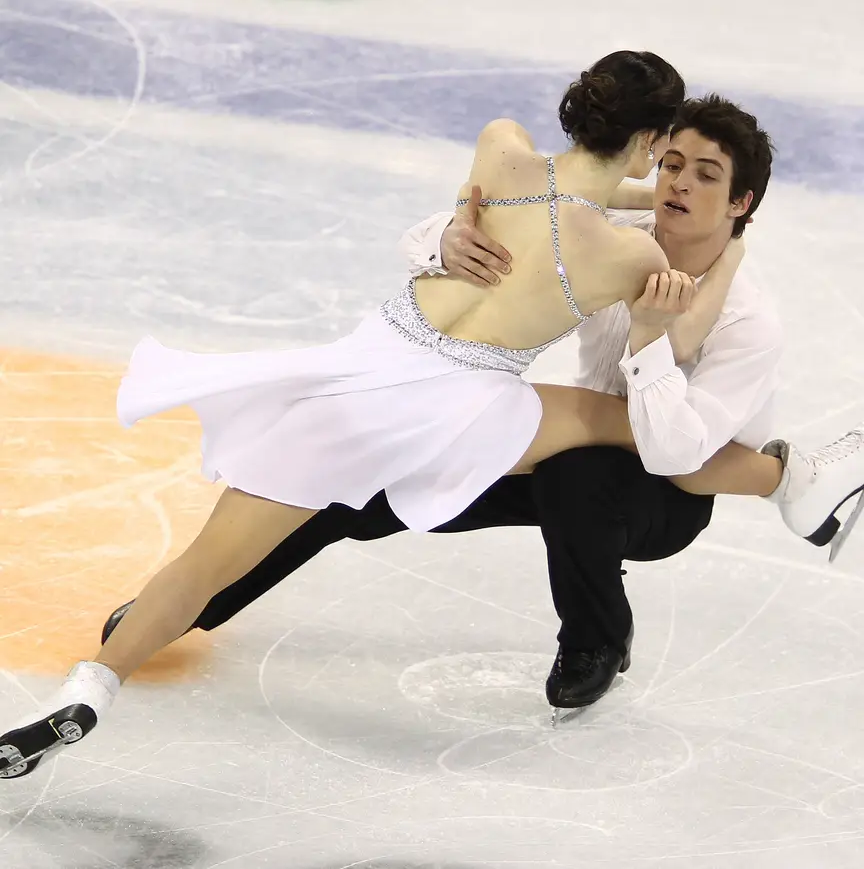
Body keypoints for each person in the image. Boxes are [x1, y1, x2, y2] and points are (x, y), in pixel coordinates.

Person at [1, 48, 705, 780]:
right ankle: (762, 480)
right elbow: (635, 228)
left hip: (360, 375)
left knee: (201, 566)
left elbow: (566, 188)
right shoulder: (632, 256)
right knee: (624, 426)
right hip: (460, 408)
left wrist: (454, 232)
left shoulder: (502, 148)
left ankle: (91, 687)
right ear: (650, 141)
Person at [100, 95, 863, 728]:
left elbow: (677, 454)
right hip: (581, 435)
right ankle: (194, 600)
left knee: (580, 477)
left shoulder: (747, 324)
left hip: (665, 489)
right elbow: (499, 217)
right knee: (359, 478)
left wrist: (651, 337)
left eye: (706, 174)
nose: (679, 183)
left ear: (742, 203)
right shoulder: (617, 244)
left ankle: (598, 640)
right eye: (671, 164)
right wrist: (446, 239)